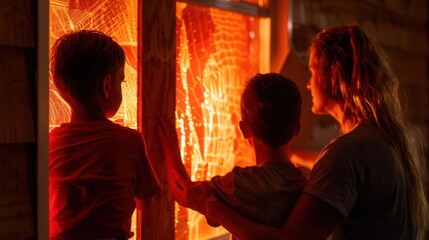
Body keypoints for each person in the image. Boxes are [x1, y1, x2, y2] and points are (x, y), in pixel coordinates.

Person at [201, 24, 429, 240]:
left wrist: (217, 210)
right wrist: (295, 156)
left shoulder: (347, 152)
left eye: (312, 72)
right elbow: (337, 171)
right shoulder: (378, 137)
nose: (308, 84)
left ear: (332, 74)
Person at [157, 73, 308, 234]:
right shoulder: (304, 184)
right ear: (297, 129)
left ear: (243, 129)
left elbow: (184, 192)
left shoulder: (239, 184)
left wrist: (170, 147)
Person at [49, 30, 162, 239]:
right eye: (122, 81)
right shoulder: (130, 140)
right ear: (107, 85)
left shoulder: (50, 142)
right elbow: (146, 203)